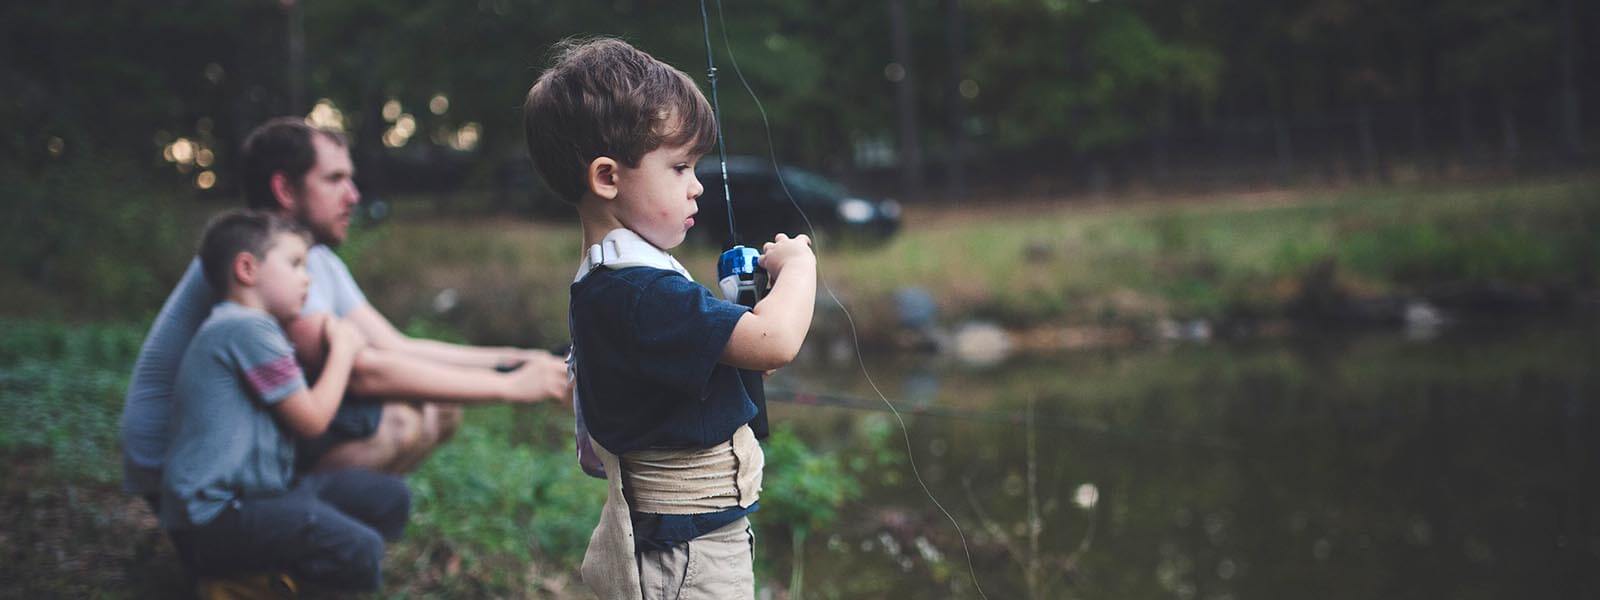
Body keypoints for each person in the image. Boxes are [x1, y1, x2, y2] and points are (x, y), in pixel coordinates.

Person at [120, 117, 571, 505]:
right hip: (183, 470)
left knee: (439, 408)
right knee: (399, 421)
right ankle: (284, 548)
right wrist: (512, 387)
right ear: (284, 188)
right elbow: (363, 372)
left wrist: (519, 357)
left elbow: (396, 346)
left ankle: (322, 538)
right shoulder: (260, 270)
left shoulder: (311, 259)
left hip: (241, 442)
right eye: (334, 179)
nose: (353, 195)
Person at [522, 38, 817, 599]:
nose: (696, 184)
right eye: (679, 166)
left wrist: (732, 353)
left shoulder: (621, 280)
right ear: (607, 178)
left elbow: (721, 360)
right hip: (686, 556)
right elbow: (775, 342)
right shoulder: (636, 291)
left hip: (690, 543)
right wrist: (800, 266)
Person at [160, 209, 406, 592]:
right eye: (295, 264)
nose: (307, 278)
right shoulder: (245, 328)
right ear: (247, 269)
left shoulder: (251, 328)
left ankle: (270, 572)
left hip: (265, 495)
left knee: (389, 498)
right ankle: (252, 582)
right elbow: (311, 419)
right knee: (361, 550)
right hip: (215, 520)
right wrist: (344, 347)